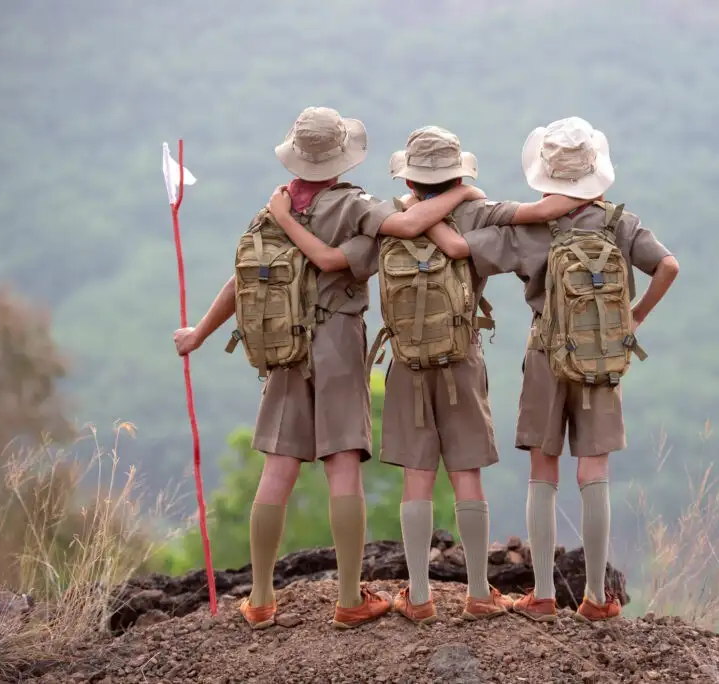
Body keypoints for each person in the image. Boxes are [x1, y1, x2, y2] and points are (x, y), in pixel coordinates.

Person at [172, 107, 485, 631]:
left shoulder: (271, 209)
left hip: (283, 351)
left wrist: (199, 333)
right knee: (342, 464)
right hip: (338, 341)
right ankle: (347, 598)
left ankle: (262, 599)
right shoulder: (355, 205)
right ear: (342, 158)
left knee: (278, 469)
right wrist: (461, 193)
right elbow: (408, 224)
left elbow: (242, 281)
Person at [264, 125, 584, 624]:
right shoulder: (480, 211)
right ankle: (479, 592)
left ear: (410, 180)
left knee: (417, 477)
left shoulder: (390, 217)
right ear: (457, 172)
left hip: (406, 365)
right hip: (462, 361)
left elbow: (337, 263)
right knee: (466, 473)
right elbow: (542, 213)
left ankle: (417, 598)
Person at [421, 116, 680, 623]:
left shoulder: (530, 228)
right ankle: (597, 600)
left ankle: (541, 594)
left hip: (544, 351)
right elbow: (668, 265)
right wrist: (635, 316)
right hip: (601, 356)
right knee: (595, 469)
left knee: (544, 467)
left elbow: (455, 249)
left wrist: (420, 212)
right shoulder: (618, 222)